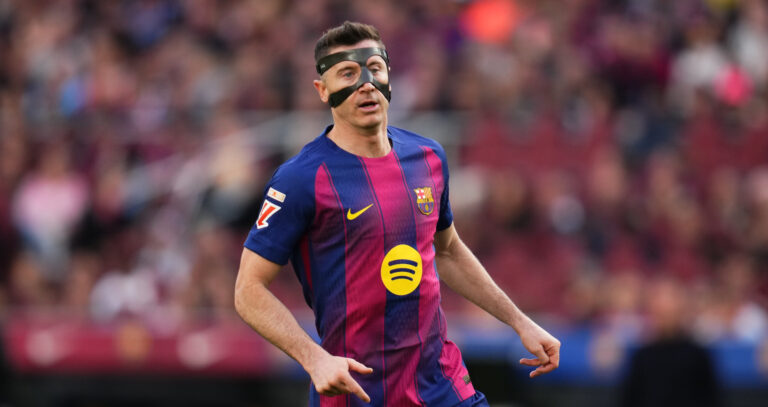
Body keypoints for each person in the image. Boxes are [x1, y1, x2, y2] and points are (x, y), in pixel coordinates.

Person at [234, 21, 560, 407]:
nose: (366, 82)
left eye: (375, 67)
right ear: (323, 91)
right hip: (357, 392)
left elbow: (449, 250)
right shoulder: (300, 179)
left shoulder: (428, 157)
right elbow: (247, 290)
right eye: (348, 73)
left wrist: (519, 321)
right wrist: (314, 359)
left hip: (443, 386)